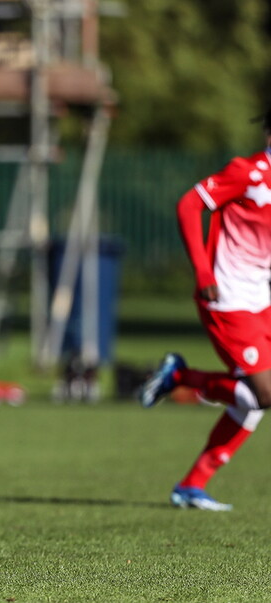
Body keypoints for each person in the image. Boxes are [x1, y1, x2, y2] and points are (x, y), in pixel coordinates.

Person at [139, 108, 271, 511]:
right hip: (228, 297)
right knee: (265, 392)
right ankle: (182, 375)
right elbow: (188, 204)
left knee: (251, 401)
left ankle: (191, 486)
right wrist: (201, 270)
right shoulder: (249, 172)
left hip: (261, 299)